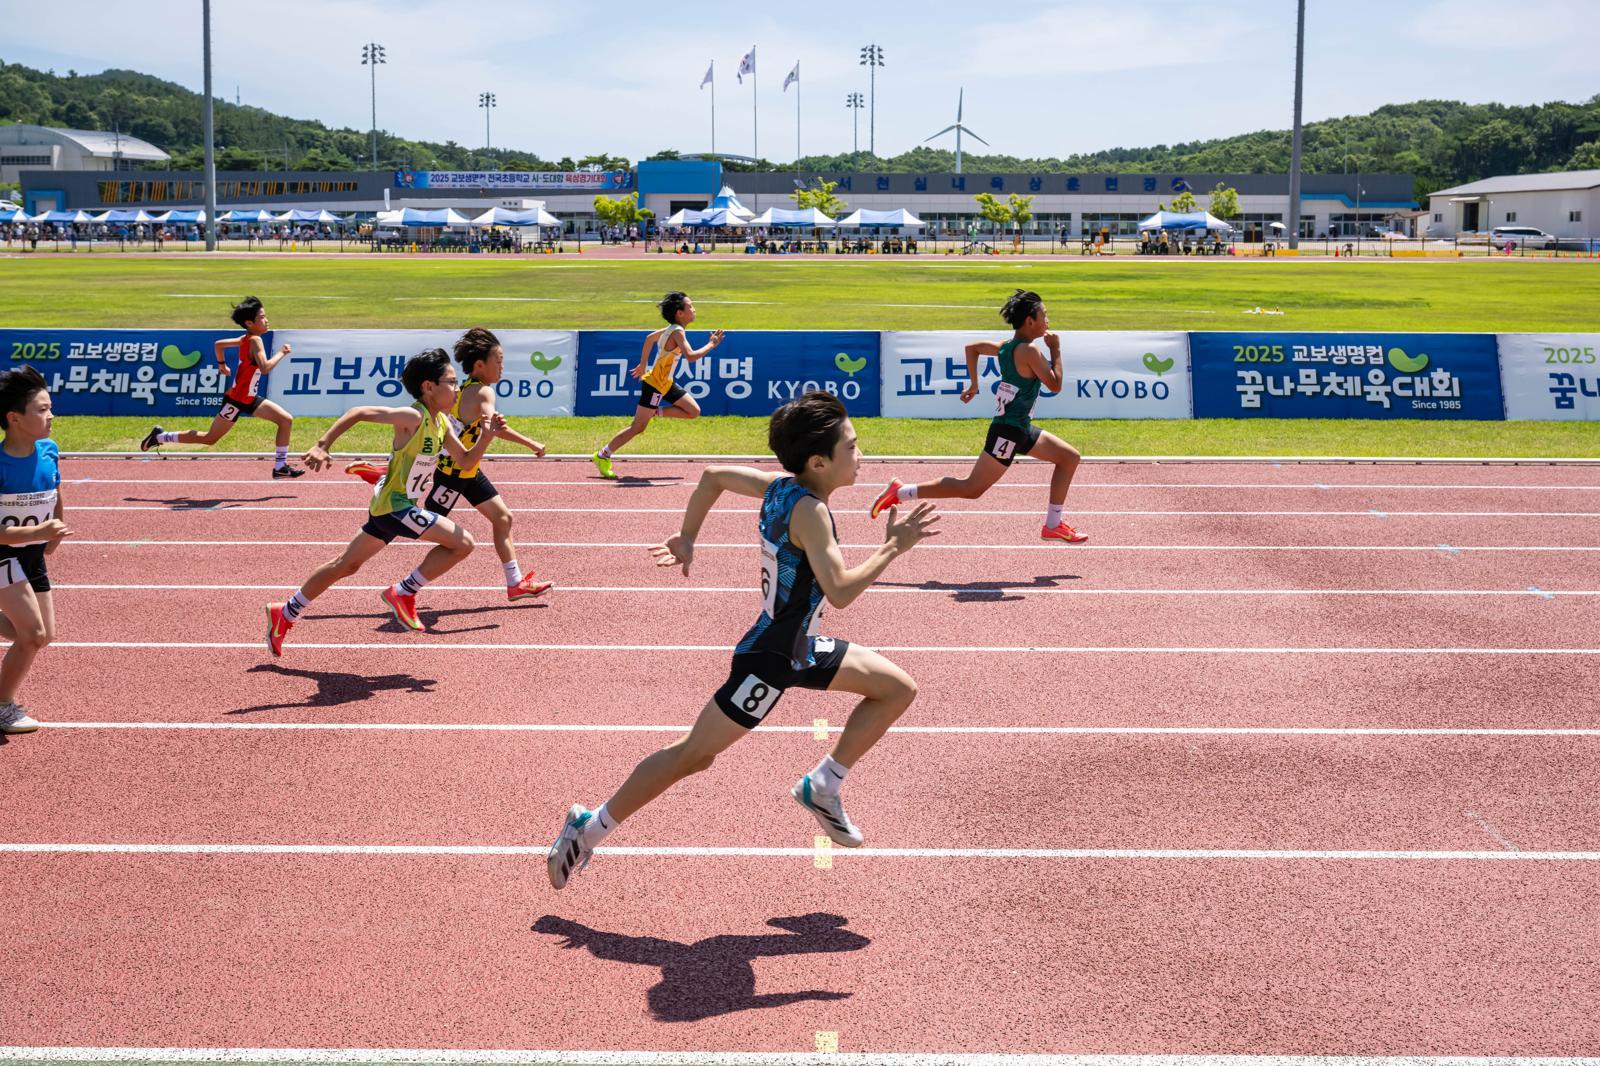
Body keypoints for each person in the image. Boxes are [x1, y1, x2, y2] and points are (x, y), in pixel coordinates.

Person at [546, 391, 940, 889]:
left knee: (897, 688)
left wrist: (687, 536)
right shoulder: (811, 512)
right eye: (852, 447)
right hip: (772, 658)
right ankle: (589, 827)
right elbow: (840, 591)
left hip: (799, 647)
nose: (861, 455)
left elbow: (713, 477)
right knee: (693, 755)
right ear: (818, 462)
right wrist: (893, 547)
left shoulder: (780, 487)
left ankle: (824, 784)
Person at [264, 349, 504, 656]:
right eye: (451, 382)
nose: (457, 389)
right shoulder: (413, 417)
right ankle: (403, 592)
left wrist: (486, 436)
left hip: (390, 507)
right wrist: (323, 445)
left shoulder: (443, 423)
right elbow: (359, 412)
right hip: (396, 507)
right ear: (428, 386)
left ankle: (285, 612)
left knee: (346, 565)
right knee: (463, 543)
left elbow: (467, 461)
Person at [346, 328, 553, 601]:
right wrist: (530, 443)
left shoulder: (460, 389)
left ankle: (515, 582)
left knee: (502, 517)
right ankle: (385, 480)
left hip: (465, 469)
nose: (502, 366)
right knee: (406, 519)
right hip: (454, 474)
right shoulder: (484, 392)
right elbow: (492, 423)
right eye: (499, 360)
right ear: (480, 365)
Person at [868, 289, 1089, 544]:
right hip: (1008, 432)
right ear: (1030, 321)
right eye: (1045, 315)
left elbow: (972, 348)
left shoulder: (1005, 348)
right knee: (971, 489)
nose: (1048, 320)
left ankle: (1053, 525)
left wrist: (974, 384)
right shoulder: (1030, 351)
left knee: (1069, 458)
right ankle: (901, 491)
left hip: (1020, 428)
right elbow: (1055, 385)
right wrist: (1056, 349)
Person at [140, 295, 304, 478]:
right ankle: (160, 437)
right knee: (209, 438)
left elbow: (219, 345)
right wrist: (282, 352)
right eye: (262, 317)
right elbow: (265, 368)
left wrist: (222, 365)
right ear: (249, 323)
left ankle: (280, 467)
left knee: (285, 420)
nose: (267, 320)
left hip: (249, 398)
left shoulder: (246, 339)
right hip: (237, 400)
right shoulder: (254, 341)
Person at [0, 367, 72, 734]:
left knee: (43, 635)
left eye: (51, 408)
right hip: (3, 553)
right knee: (30, 635)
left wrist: (55, 530)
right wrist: (39, 530)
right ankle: (2, 706)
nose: (51, 416)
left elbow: (55, 491)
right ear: (14, 418)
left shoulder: (49, 450)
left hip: (32, 555)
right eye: (42, 410)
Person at [591, 291, 725, 480]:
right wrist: (712, 344)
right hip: (655, 384)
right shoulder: (677, 331)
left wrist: (643, 365)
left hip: (666, 383)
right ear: (680, 313)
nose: (694, 309)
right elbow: (691, 356)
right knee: (637, 427)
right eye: (690, 306)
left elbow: (649, 338)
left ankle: (655, 412)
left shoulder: (672, 328)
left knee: (693, 411)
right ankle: (602, 455)